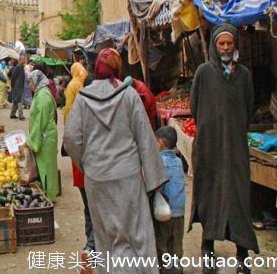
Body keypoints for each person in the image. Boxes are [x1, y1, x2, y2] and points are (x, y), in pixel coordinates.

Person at [64, 48, 167, 274]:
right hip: (127, 177)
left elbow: (71, 138)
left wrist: (86, 164)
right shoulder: (128, 95)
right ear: (117, 68)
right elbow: (145, 139)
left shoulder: (83, 98)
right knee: (135, 233)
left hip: (97, 178)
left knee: (105, 235)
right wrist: (155, 183)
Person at [189, 23, 258, 274]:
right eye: (222, 44)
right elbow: (195, 107)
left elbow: (249, 108)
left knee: (239, 196)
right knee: (209, 192)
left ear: (235, 45)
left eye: (230, 44)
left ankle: (242, 252)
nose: (226, 48)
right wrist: (212, 129)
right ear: (214, 46)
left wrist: (233, 130)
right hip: (209, 146)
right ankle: (207, 246)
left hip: (236, 148)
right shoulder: (203, 73)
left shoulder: (244, 75)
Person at [63, 61, 95, 253]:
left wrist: (79, 161)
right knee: (97, 208)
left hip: (84, 169)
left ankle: (91, 245)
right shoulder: (103, 107)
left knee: (89, 208)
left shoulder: (79, 106)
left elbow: (71, 140)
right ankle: (95, 244)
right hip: (97, 170)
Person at [153, 126, 186, 274]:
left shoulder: (159, 162)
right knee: (176, 243)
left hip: (164, 212)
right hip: (179, 211)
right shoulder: (179, 161)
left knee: (162, 243)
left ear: (160, 143)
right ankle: (176, 268)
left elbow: (156, 185)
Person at [27, 69, 59, 201]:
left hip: (45, 136)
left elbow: (40, 120)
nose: (29, 85)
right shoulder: (41, 93)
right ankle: (48, 193)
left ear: (36, 81)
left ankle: (49, 196)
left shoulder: (43, 96)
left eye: (30, 82)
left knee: (46, 166)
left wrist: (32, 140)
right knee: (45, 165)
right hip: (45, 135)